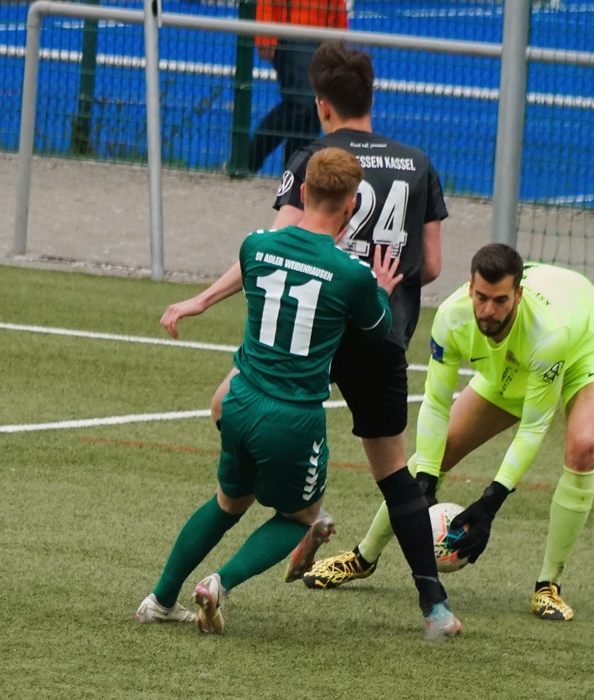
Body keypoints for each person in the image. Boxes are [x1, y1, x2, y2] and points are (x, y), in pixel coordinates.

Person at [161, 40, 460, 641]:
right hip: (379, 334)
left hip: (306, 333)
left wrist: (201, 299)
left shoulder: (314, 161)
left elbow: (277, 248)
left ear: (322, 104)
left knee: (227, 405)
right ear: (372, 96)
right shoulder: (417, 163)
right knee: (393, 475)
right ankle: (435, 608)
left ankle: (290, 508)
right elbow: (430, 265)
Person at [135, 147, 401, 633]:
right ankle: (219, 583)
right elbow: (378, 330)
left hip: (239, 398)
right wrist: (381, 288)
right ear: (350, 207)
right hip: (292, 418)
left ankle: (160, 599)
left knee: (228, 503)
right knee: (303, 518)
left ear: (304, 192)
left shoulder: (255, 246)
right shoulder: (352, 275)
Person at [303, 243, 594, 622]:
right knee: (439, 452)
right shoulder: (451, 317)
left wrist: (490, 503)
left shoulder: (548, 332)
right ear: (470, 288)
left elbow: (534, 425)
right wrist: (425, 480)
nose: (488, 311)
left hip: (587, 349)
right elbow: (436, 404)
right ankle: (363, 557)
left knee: (583, 447)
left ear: (518, 295)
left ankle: (547, 585)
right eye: (481, 298)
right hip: (516, 363)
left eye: (501, 300)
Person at [245, 0, 348, 174]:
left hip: (322, 38)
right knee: (303, 102)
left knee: (312, 109)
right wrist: (265, 37)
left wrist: (339, 35)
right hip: (290, 34)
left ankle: (294, 174)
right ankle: (249, 159)